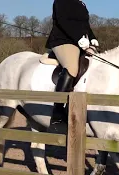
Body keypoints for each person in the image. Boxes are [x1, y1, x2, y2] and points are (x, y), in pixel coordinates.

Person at [45, 0, 99, 133]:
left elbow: (85, 24)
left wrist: (92, 38)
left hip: (81, 42)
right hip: (62, 41)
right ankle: (57, 113)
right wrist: (78, 38)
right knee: (72, 67)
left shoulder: (81, 3)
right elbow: (63, 22)